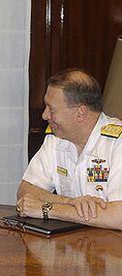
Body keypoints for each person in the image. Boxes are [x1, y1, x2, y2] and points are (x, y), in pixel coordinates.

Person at [16, 68, 122, 230]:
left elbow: (118, 217)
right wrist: (69, 202)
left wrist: (49, 209)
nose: (45, 115)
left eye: (51, 109)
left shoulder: (117, 143)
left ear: (80, 112)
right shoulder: (55, 139)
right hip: (75, 244)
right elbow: (25, 193)